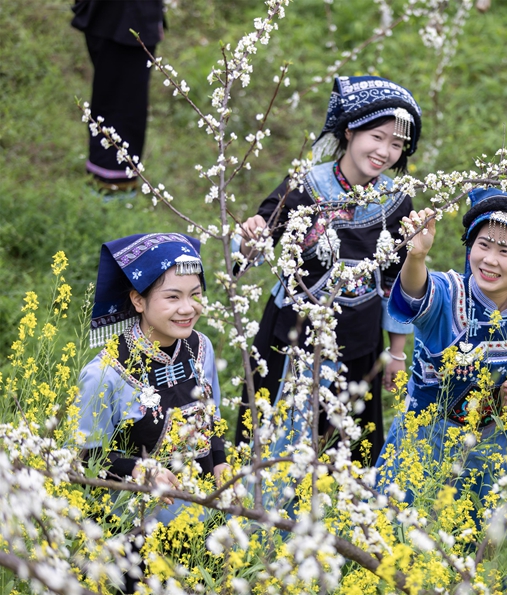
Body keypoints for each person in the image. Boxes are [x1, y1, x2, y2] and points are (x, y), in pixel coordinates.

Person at [234, 75, 423, 465]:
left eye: (397, 144)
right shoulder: (305, 186)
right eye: (377, 136)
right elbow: (258, 241)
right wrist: (250, 237)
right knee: (277, 436)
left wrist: (398, 353)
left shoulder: (397, 202)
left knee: (349, 444)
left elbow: (397, 282)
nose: (385, 151)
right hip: (294, 333)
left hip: (360, 339)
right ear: (350, 131)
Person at [376, 187, 507, 506]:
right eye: (483, 245)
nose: (489, 260)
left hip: (491, 449)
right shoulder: (449, 294)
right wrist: (415, 256)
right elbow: (416, 293)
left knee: (471, 545)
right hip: (424, 441)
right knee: (393, 531)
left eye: (505, 252)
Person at [75, 233, 229, 526]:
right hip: (133, 526)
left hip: (201, 514)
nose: (187, 308)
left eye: (195, 295)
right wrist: (139, 470)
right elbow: (83, 458)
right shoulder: (104, 373)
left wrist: (220, 461)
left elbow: (213, 416)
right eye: (172, 297)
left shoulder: (202, 347)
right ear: (138, 300)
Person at [71, 0, 165, 195]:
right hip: (126, 18)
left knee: (112, 102)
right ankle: (111, 192)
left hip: (113, 16)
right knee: (121, 109)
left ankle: (109, 188)